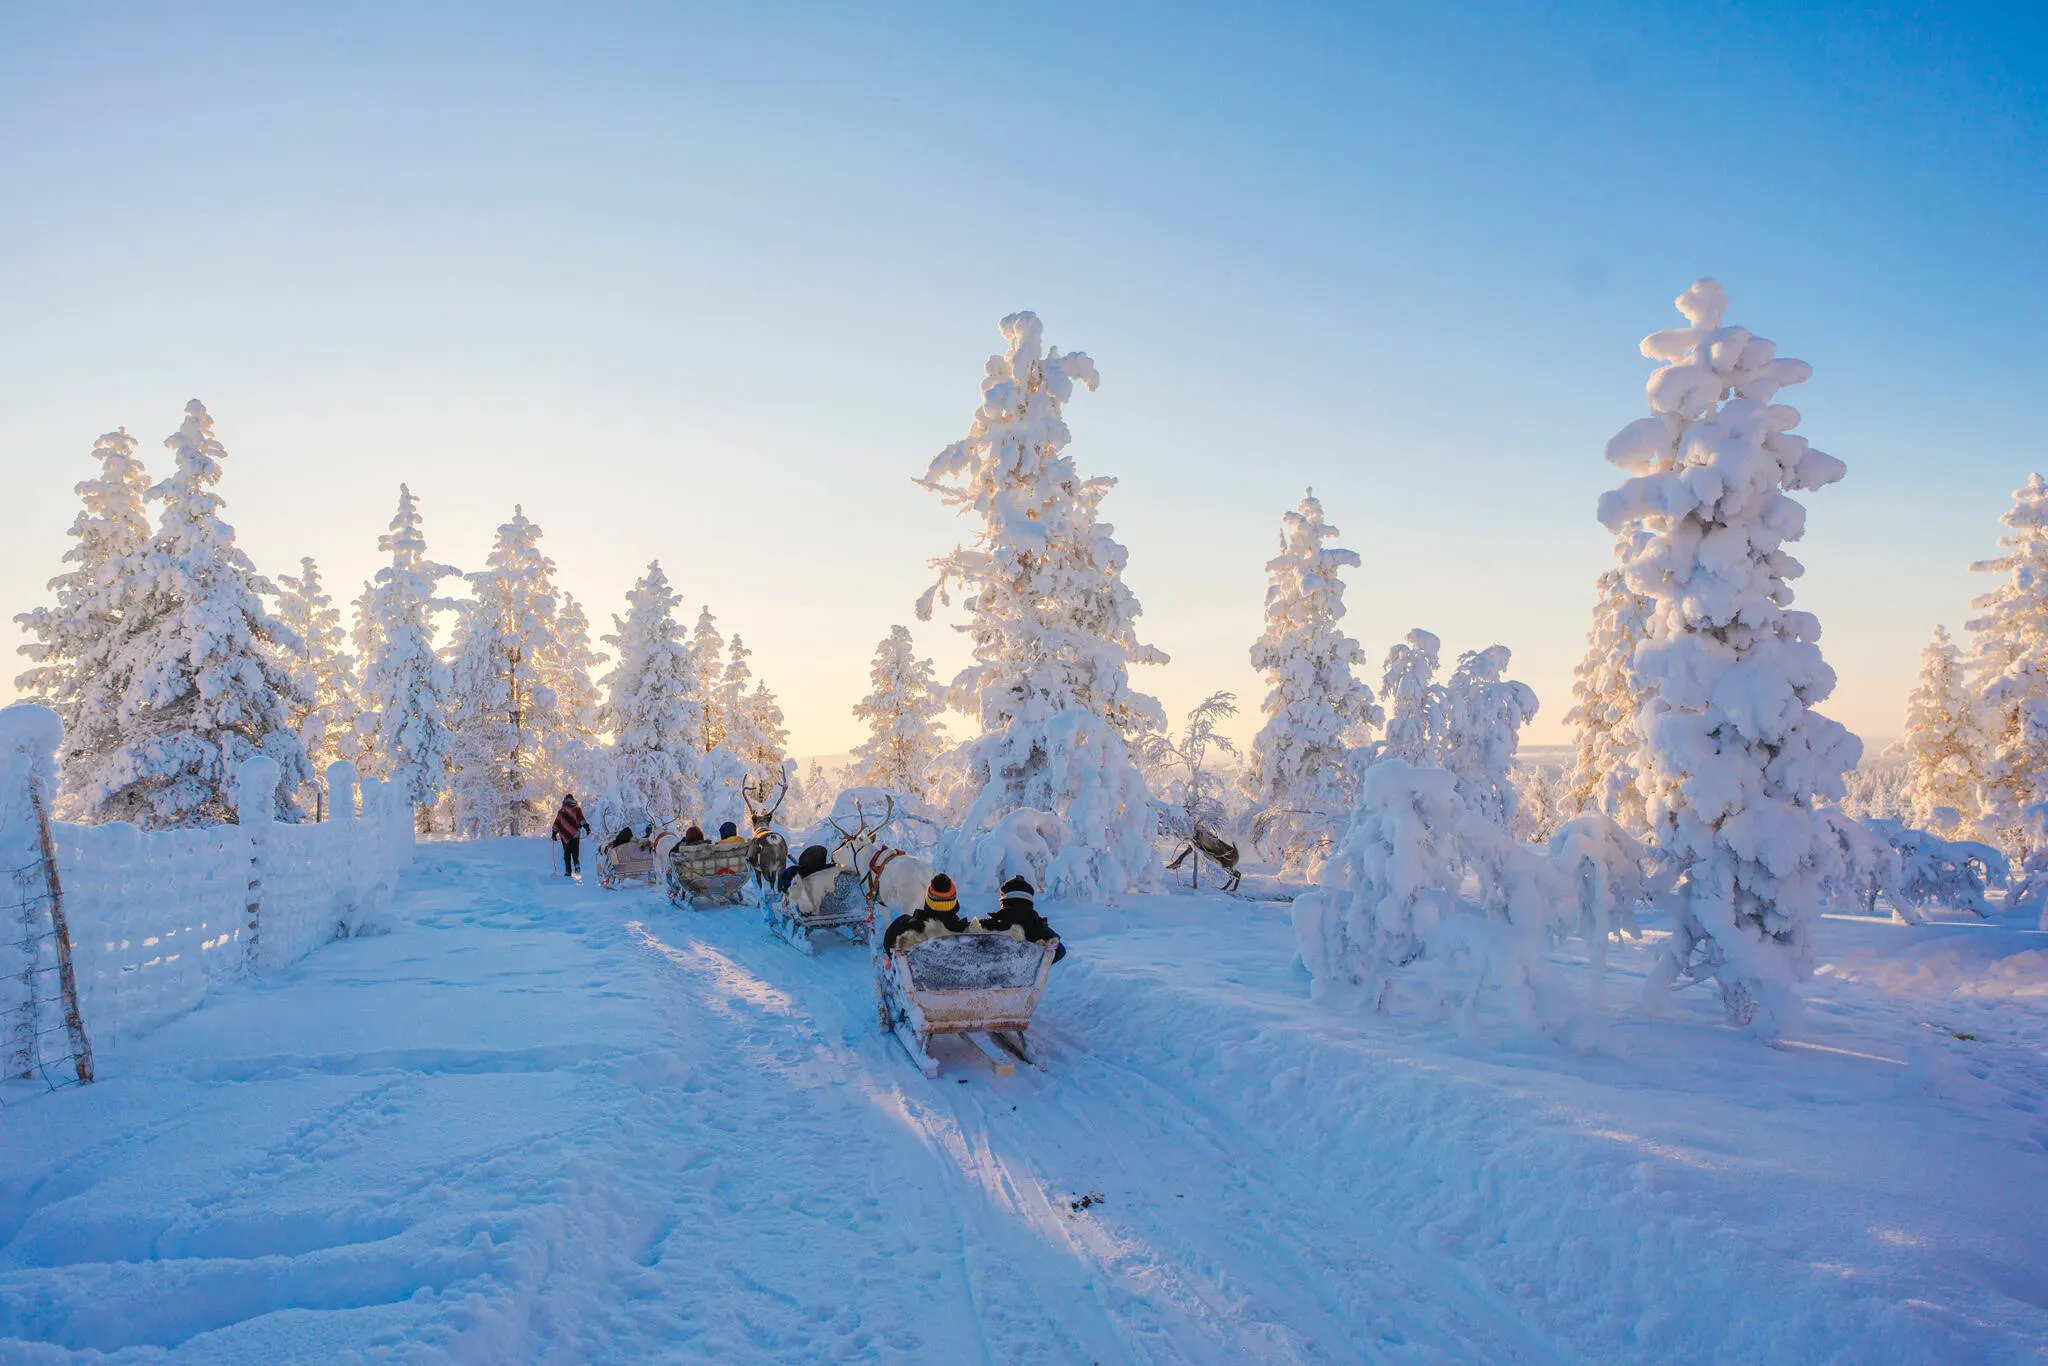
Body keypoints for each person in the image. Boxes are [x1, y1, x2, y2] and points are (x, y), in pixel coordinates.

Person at [975, 875, 1065, 962]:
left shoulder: (994, 924)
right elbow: (1060, 951)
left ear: (1004, 901)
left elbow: (966, 937)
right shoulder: (1039, 928)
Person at [882, 874, 970, 954]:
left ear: (928, 901)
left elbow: (889, 951)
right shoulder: (968, 934)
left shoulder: (901, 928)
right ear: (953, 904)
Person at [552, 794, 591, 877]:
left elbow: (556, 823)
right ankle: (577, 866)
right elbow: (582, 820)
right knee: (575, 852)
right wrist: (586, 827)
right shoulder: (577, 809)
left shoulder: (561, 811)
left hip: (564, 836)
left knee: (567, 853)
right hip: (575, 835)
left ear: (565, 801)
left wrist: (554, 834)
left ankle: (568, 871)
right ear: (573, 800)